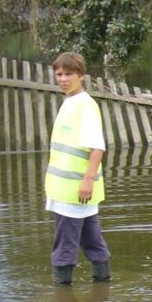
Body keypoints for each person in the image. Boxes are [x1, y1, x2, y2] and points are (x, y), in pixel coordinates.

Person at [45, 52, 111, 285]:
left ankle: (62, 297)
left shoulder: (84, 105)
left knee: (64, 245)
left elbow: (97, 148)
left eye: (69, 74)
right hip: (73, 191)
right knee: (93, 241)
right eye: (59, 74)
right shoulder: (70, 102)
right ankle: (102, 287)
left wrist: (87, 181)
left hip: (74, 192)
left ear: (81, 76)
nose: (62, 78)